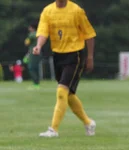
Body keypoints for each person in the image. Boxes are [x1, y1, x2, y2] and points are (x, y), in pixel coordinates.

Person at [33, 0, 97, 138]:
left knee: (62, 90)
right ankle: (88, 122)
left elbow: (89, 34)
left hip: (75, 55)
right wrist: (38, 45)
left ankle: (53, 130)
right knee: (68, 94)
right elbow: (43, 31)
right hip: (58, 55)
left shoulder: (76, 10)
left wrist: (90, 57)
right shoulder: (48, 11)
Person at [25, 22, 42, 89]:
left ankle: (36, 84)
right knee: (36, 67)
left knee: (31, 68)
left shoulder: (31, 34)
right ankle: (37, 83)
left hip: (33, 52)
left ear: (32, 28)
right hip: (39, 52)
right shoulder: (39, 33)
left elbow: (26, 43)